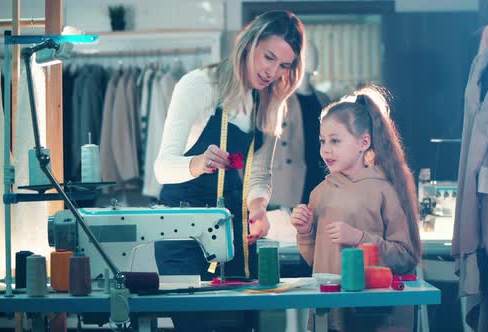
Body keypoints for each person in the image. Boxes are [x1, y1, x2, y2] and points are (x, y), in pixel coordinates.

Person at [153, 10, 305, 331]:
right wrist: (197, 163)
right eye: (268, 57)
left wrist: (258, 209)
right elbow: (162, 169)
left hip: (232, 239)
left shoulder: (268, 101)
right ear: (249, 43)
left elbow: (260, 174)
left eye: (284, 66)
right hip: (182, 236)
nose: (272, 72)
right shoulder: (198, 85)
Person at [290, 84, 422, 331]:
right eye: (322, 141)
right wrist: (306, 232)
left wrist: (359, 238)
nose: (326, 149)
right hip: (329, 316)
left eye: (335, 140)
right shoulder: (319, 193)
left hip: (375, 317)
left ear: (364, 142)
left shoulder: (386, 189)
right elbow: (317, 263)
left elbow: (406, 256)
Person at [270, 41, 330, 208]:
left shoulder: (322, 98)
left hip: (318, 174)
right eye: (308, 53)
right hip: (288, 180)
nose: (314, 57)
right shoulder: (277, 98)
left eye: (315, 53)